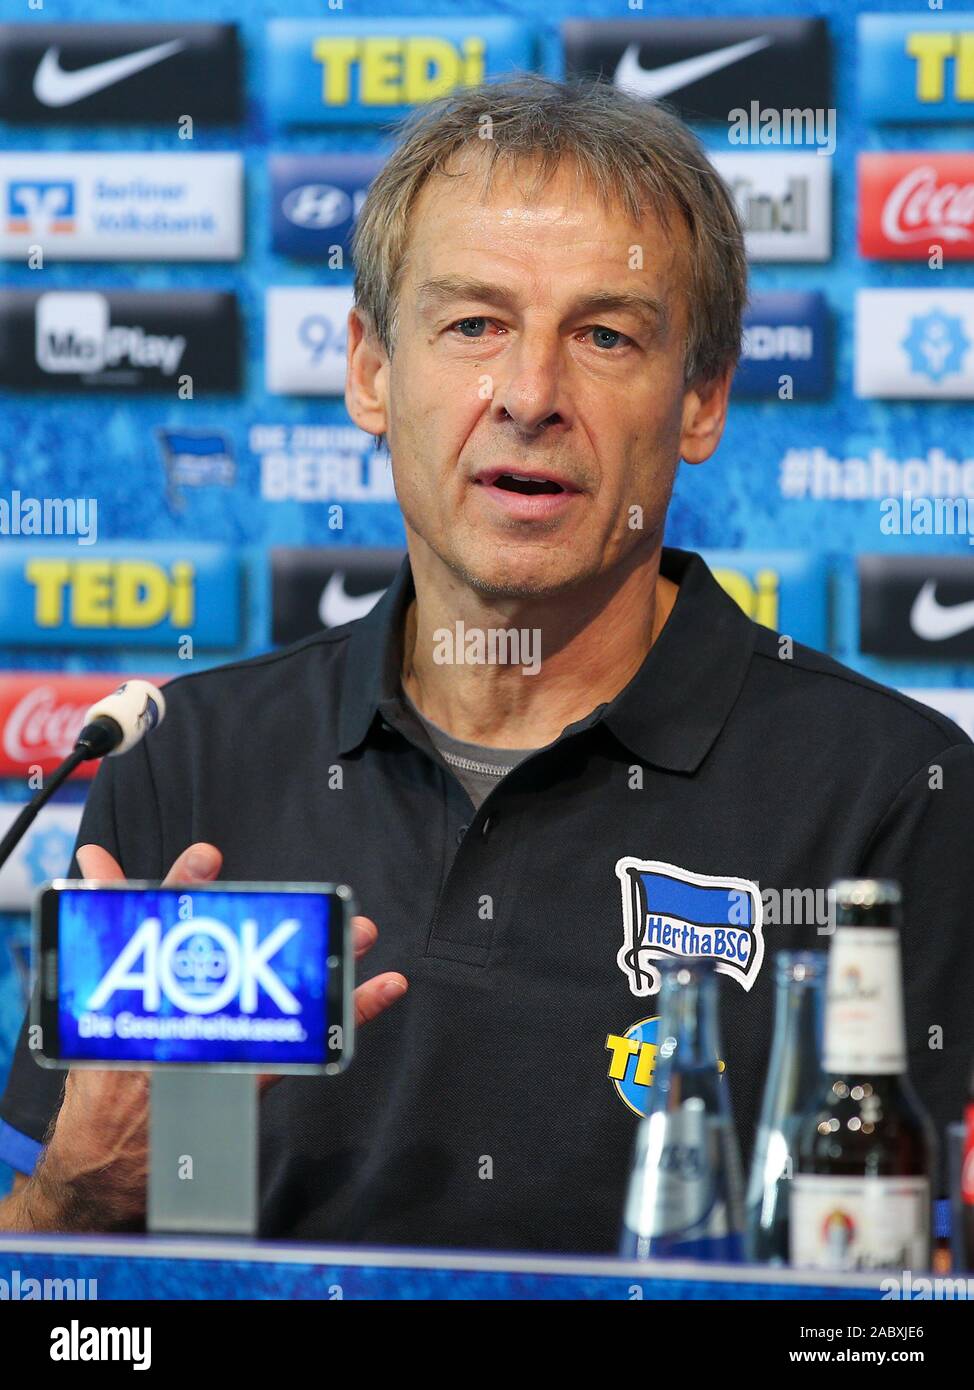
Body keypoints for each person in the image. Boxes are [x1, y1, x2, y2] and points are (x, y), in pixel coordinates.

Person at [1, 74, 972, 1252]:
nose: (528, 396)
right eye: (473, 324)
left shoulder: (889, 793)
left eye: (605, 335)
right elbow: (63, 1279)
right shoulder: (190, 761)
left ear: (703, 398)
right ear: (369, 369)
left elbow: (908, 1304)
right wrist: (77, 1200)